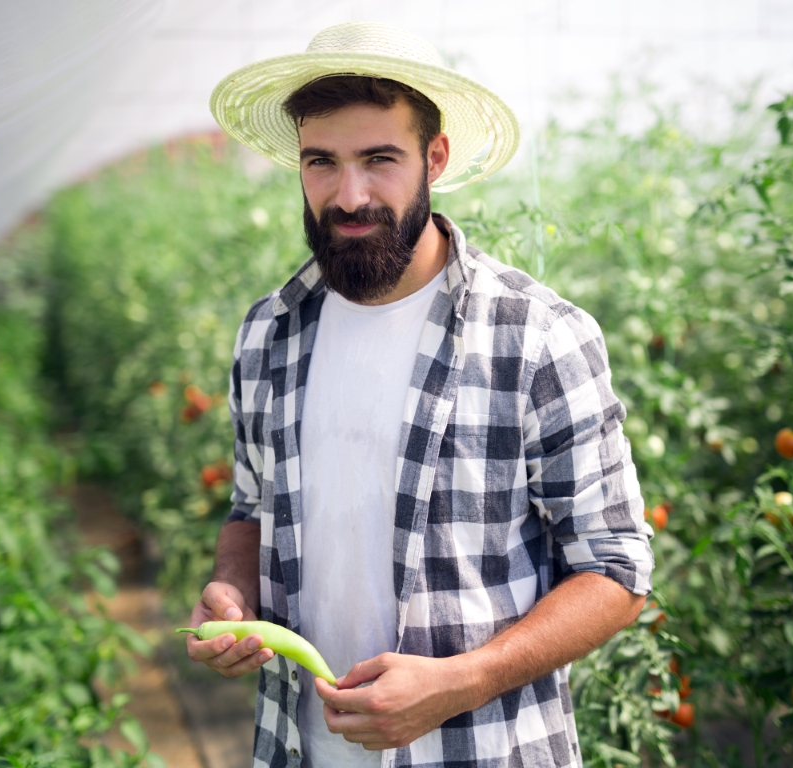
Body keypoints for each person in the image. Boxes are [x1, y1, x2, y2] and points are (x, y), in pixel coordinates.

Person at [185, 22, 655, 768]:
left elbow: (617, 569)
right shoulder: (268, 335)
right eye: (322, 162)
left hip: (483, 750)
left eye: (380, 159)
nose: (349, 194)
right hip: (299, 748)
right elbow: (251, 509)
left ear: (435, 156)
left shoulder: (536, 337)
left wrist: (463, 681)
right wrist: (233, 591)